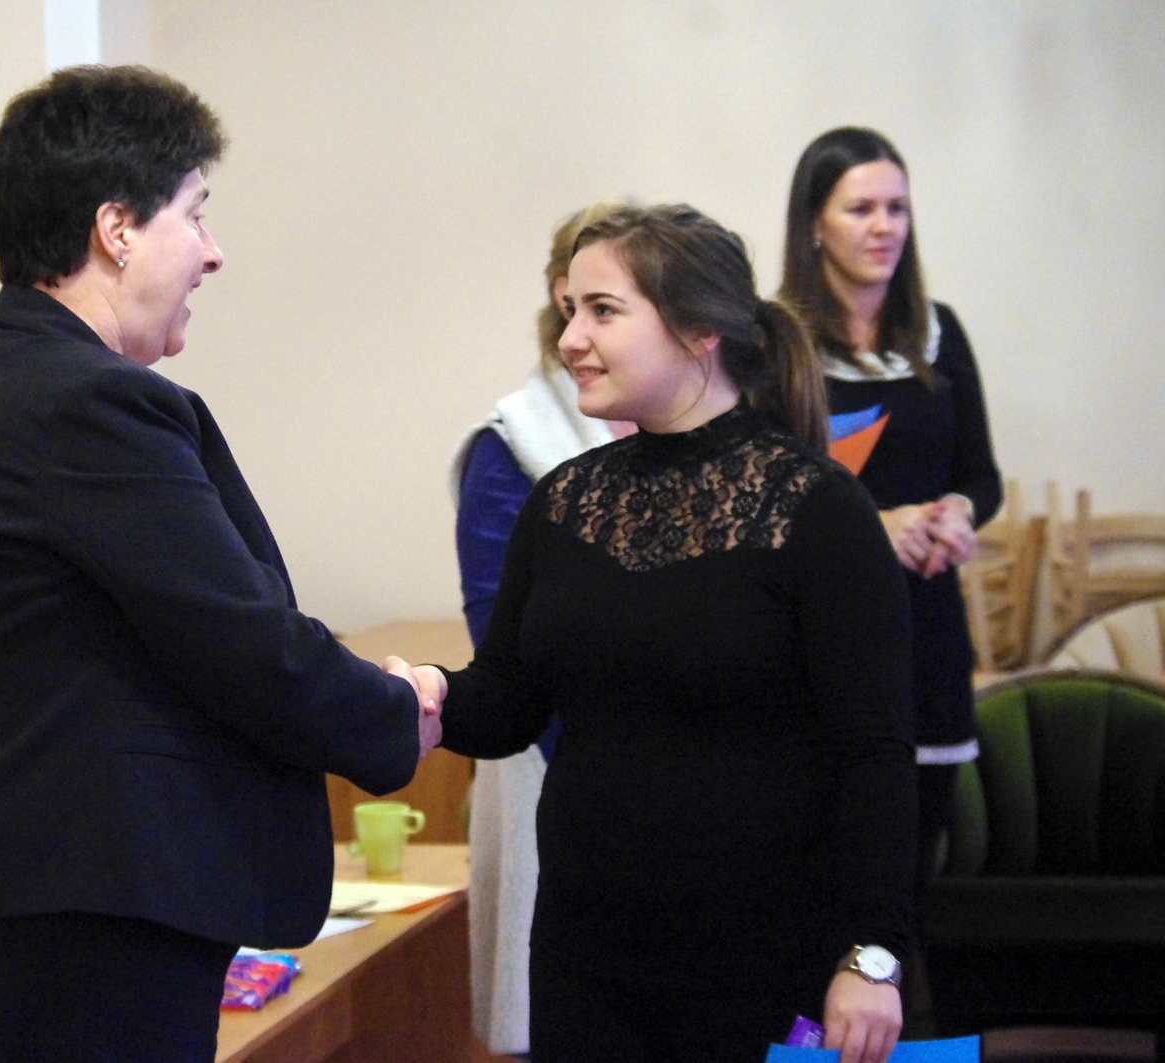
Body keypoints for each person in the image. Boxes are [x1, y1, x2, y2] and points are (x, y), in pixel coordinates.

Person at [0, 65, 437, 1063]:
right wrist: (398, 711)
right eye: (194, 211)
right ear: (117, 228)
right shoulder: (86, 401)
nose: (213, 252)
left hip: (10, 899)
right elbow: (241, 641)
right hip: (80, 915)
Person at [405, 204, 916, 1063]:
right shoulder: (564, 502)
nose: (571, 338)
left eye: (603, 311)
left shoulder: (817, 509)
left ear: (699, 331)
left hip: (765, 960)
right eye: (570, 310)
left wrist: (873, 954)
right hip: (587, 957)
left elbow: (875, 751)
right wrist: (423, 694)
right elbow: (508, 702)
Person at [780, 127, 1002, 901]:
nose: (885, 227)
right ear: (814, 223)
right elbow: (766, 494)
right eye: (861, 208)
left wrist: (958, 514)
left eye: (897, 208)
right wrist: (872, 525)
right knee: (821, 891)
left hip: (928, 639)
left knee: (908, 894)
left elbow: (980, 474)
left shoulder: (941, 332)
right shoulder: (780, 346)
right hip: (822, 647)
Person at [448, 199, 634, 1057]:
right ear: (559, 298)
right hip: (555, 782)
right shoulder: (511, 444)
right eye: (579, 305)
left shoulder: (696, 436)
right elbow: (507, 649)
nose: (586, 329)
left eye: (615, 305)